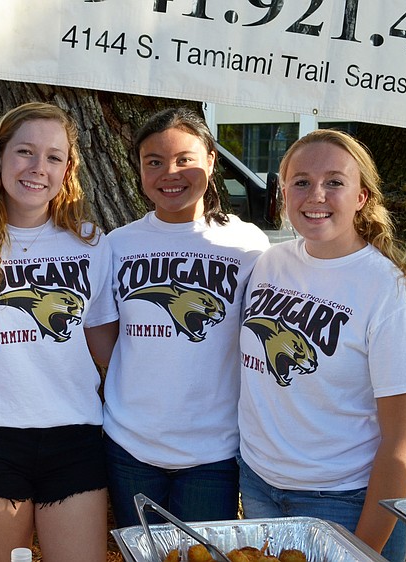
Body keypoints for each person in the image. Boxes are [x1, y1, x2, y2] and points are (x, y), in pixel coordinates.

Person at [238, 129, 406, 562]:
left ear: (362, 196)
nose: (316, 195)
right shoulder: (271, 264)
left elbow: (402, 442)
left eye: (334, 182)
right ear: (284, 190)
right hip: (258, 483)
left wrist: (362, 550)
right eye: (302, 182)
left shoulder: (392, 296)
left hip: (343, 502)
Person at [0, 102, 118, 562]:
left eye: (54, 157)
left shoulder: (91, 242)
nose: (38, 168)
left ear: (67, 169)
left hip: (73, 435)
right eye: (25, 152)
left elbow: (102, 344)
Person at [99, 107, 269, 527]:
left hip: (213, 451)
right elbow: (104, 336)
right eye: (153, 162)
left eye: (184, 159)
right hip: (129, 445)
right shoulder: (117, 244)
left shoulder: (247, 243)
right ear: (138, 168)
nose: (169, 173)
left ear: (211, 160)